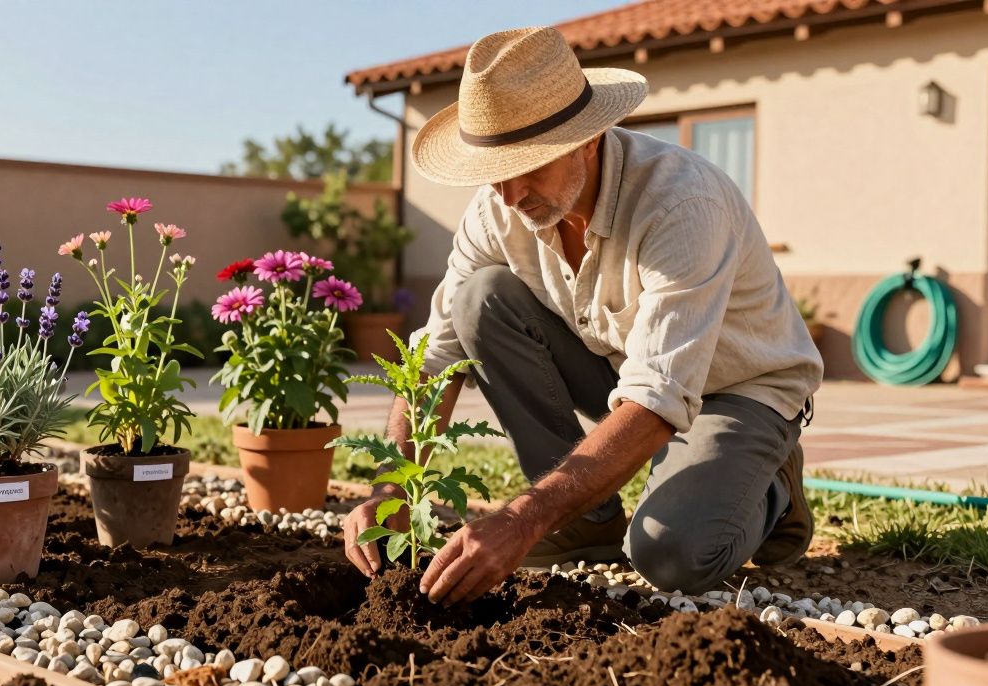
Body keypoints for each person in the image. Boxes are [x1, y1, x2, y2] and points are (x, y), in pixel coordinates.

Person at [342, 26, 823, 606]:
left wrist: (522, 518)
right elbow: (436, 354)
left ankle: (770, 483)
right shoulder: (500, 208)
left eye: (530, 167)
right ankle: (586, 519)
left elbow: (657, 396)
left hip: (738, 390)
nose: (511, 193)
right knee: (479, 299)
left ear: (588, 140)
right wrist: (390, 488)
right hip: (626, 373)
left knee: (671, 555)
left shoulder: (681, 203)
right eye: (496, 171)